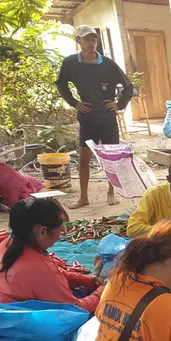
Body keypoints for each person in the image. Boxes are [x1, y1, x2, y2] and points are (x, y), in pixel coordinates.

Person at [55, 25, 133, 209]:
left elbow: (128, 87)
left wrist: (118, 104)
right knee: (84, 158)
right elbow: (61, 84)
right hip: (87, 117)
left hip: (107, 117)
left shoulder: (108, 63)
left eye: (94, 39)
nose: (91, 43)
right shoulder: (71, 63)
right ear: (78, 41)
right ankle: (83, 196)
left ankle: (111, 192)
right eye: (87, 39)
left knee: (111, 157)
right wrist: (75, 103)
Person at [0, 198, 103, 311]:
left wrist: (86, 280)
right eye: (60, 228)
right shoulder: (41, 269)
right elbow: (74, 310)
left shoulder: (7, 243)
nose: (61, 233)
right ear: (43, 231)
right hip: (13, 322)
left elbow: (54, 275)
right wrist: (102, 292)